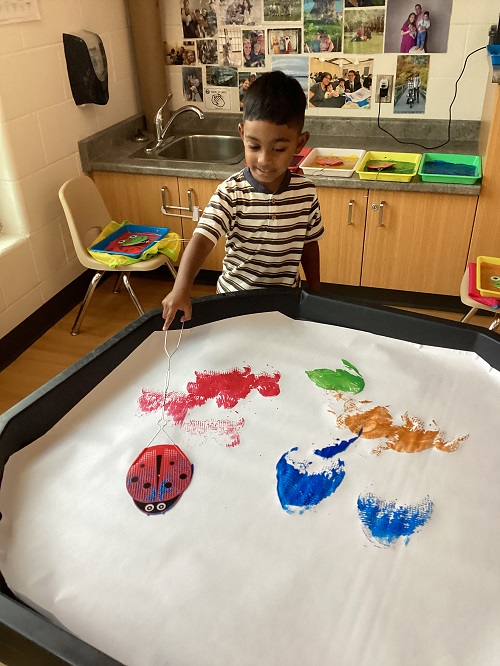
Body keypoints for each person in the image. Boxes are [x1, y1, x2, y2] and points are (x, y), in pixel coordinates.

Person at [161, 71, 324, 329]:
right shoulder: (231, 192)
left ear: (299, 142)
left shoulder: (305, 193)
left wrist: (315, 295)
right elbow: (202, 239)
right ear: (242, 134)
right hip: (234, 303)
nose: (264, 160)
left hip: (286, 304)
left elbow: (309, 244)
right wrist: (181, 288)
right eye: (254, 146)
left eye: (278, 149)